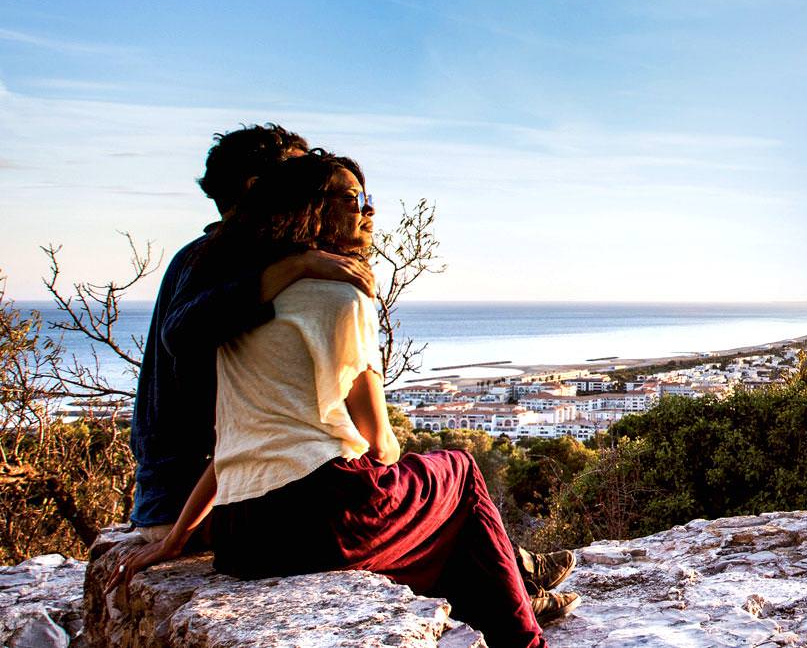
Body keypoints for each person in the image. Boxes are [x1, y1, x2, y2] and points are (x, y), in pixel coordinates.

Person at [109, 152, 576, 648]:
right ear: (310, 209)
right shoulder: (343, 296)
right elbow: (381, 442)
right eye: (354, 199)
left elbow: (231, 447)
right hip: (320, 519)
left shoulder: (236, 312)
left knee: (429, 513)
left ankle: (515, 602)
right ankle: (523, 636)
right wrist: (373, 454)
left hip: (241, 537)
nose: (367, 211)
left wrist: (179, 536)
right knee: (458, 470)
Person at [130, 125, 375, 544]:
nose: (312, 185)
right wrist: (297, 267)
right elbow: (182, 334)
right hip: (208, 502)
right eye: (303, 176)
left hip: (187, 499)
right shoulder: (220, 258)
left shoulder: (212, 257)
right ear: (258, 187)